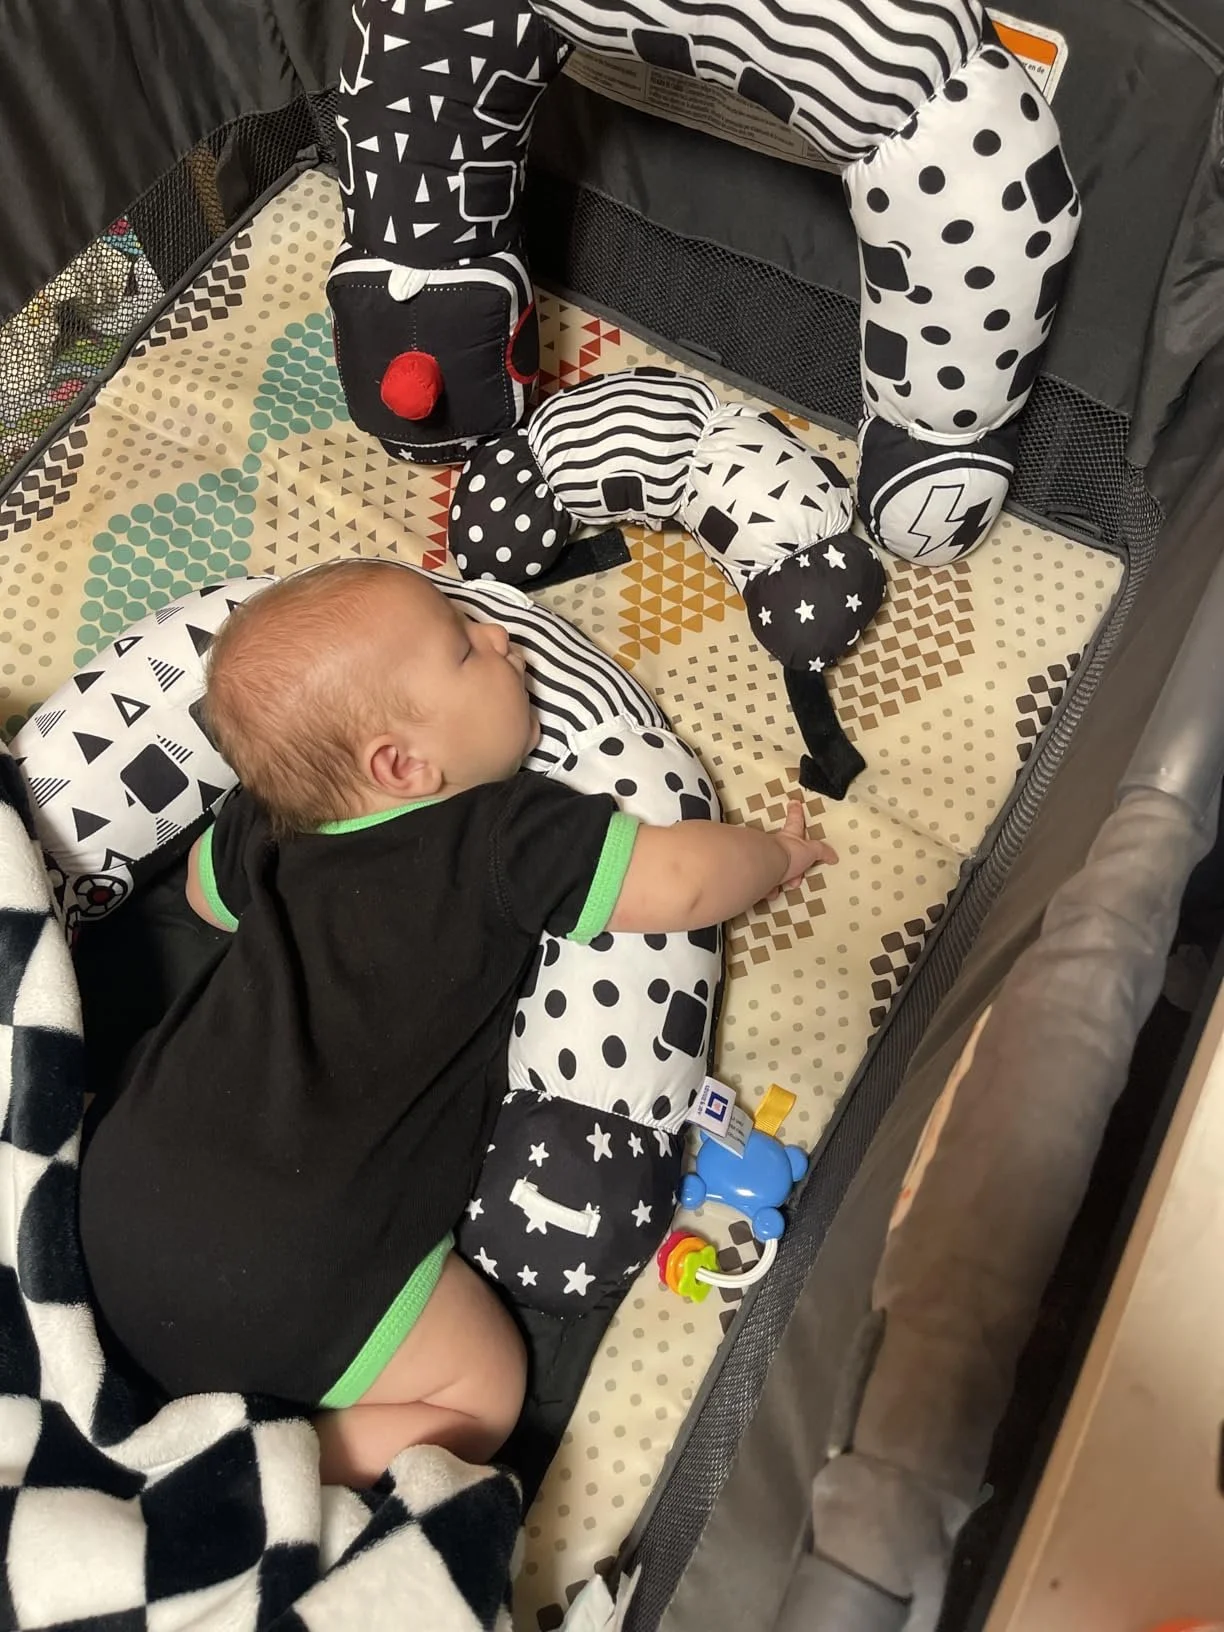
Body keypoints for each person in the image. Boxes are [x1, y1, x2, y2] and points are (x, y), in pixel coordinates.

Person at [78, 559, 837, 1488]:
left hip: (118, 1205)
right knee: (483, 1390)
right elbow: (679, 883)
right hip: (295, 1267)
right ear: (404, 765)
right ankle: (258, 1470)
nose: (501, 637)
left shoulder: (268, 826)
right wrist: (775, 854)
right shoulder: (502, 836)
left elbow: (203, 896)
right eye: (466, 649)